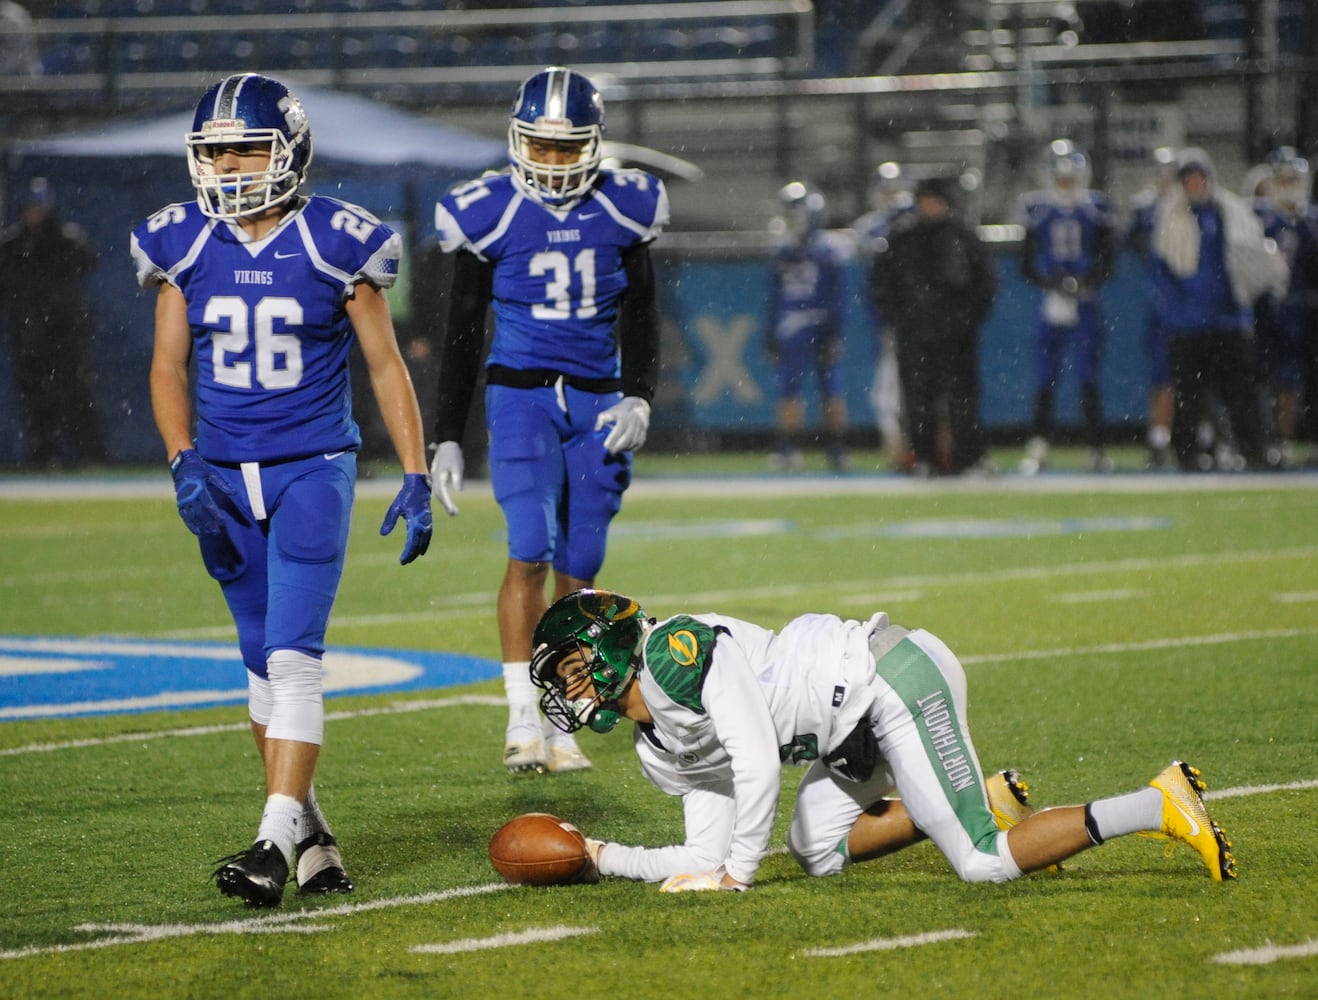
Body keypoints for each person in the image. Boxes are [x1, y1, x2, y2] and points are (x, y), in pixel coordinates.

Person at [133, 73, 434, 907]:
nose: (229, 166)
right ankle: (313, 837)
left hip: (311, 467)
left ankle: (269, 840)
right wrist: (181, 459)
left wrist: (413, 473)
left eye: (247, 147)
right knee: (260, 667)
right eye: (215, 150)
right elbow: (167, 364)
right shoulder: (182, 242)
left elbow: (384, 364)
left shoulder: (336, 239)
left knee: (296, 657)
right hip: (223, 477)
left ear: (290, 150)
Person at [529, 590, 1237, 891]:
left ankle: (1156, 802)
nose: (568, 690)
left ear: (609, 646)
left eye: (570, 668)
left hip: (888, 680)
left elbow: (753, 762)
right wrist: (600, 857)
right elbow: (701, 856)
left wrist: (738, 875)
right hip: (848, 736)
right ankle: (982, 801)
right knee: (814, 853)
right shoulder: (655, 750)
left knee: (982, 865)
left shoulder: (674, 653)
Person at [427, 66, 669, 775]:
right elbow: (464, 330)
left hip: (599, 400)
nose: (554, 162)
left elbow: (644, 312)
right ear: (517, 140)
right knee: (529, 544)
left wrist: (639, 393)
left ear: (593, 145)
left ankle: (563, 718)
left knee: (581, 569)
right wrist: (448, 431)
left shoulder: (624, 206)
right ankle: (521, 715)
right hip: (522, 394)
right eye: (542, 146)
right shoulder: (490, 209)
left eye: (568, 149)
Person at [1150, 146, 1288, 471]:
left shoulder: (1230, 212)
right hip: (1189, 323)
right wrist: (1178, 313)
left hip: (1229, 318)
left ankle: (1253, 450)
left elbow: (1251, 258)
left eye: (1199, 178)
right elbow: (1162, 274)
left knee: (1241, 392)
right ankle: (1189, 453)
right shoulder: (1171, 218)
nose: (1195, 184)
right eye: (1189, 179)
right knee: (1191, 396)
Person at [871, 176, 996, 476]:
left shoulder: (962, 238)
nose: (929, 206)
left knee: (961, 398)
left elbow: (985, 284)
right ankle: (924, 457)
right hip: (916, 333)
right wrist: (900, 320)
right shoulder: (902, 239)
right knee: (918, 399)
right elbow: (882, 286)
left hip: (956, 335)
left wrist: (966, 319)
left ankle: (967, 457)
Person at [1017, 140, 1119, 475]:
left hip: (1086, 303)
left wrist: (1085, 283)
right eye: (1060, 177)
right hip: (1051, 302)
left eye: (1069, 177)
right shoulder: (1038, 209)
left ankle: (1094, 447)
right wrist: (1054, 284)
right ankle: (1039, 444)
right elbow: (1027, 262)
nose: (1065, 183)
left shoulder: (1096, 209)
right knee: (1045, 377)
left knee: (1087, 377)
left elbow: (1108, 259)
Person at [0, 176, 108, 469]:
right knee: (36, 401)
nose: (36, 213)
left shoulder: (67, 240)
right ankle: (44, 455)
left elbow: (89, 260)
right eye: (32, 207)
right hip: (29, 337)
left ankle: (91, 456)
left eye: (41, 207)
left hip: (66, 334)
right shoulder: (11, 245)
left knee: (77, 396)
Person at [765, 181, 850, 472]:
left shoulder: (827, 250)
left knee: (829, 389)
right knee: (790, 390)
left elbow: (837, 296)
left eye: (796, 212)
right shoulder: (785, 250)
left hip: (816, 322)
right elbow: (775, 296)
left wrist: (835, 332)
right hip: (791, 325)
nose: (791, 218)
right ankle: (789, 448)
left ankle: (837, 448)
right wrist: (770, 332)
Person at [1250, 147, 1318, 467]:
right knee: (1263, 378)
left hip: (1306, 310)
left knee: (1301, 378)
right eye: (1284, 178)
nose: (1289, 184)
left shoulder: (1310, 221)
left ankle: (1291, 440)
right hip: (1265, 308)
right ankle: (1268, 441)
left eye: (1294, 178)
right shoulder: (1259, 217)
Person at [851, 162, 916, 473]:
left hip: (911, 320)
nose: (891, 197)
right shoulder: (871, 228)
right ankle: (907, 452)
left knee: (893, 396)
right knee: (893, 395)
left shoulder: (917, 227)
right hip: (893, 319)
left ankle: (908, 453)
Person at [1124, 146, 1179, 469]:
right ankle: (1160, 439)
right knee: (1162, 375)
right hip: (1163, 304)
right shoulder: (1147, 211)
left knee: (1198, 375)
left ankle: (1202, 436)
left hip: (1194, 304)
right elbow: (1129, 240)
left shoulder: (1194, 209)